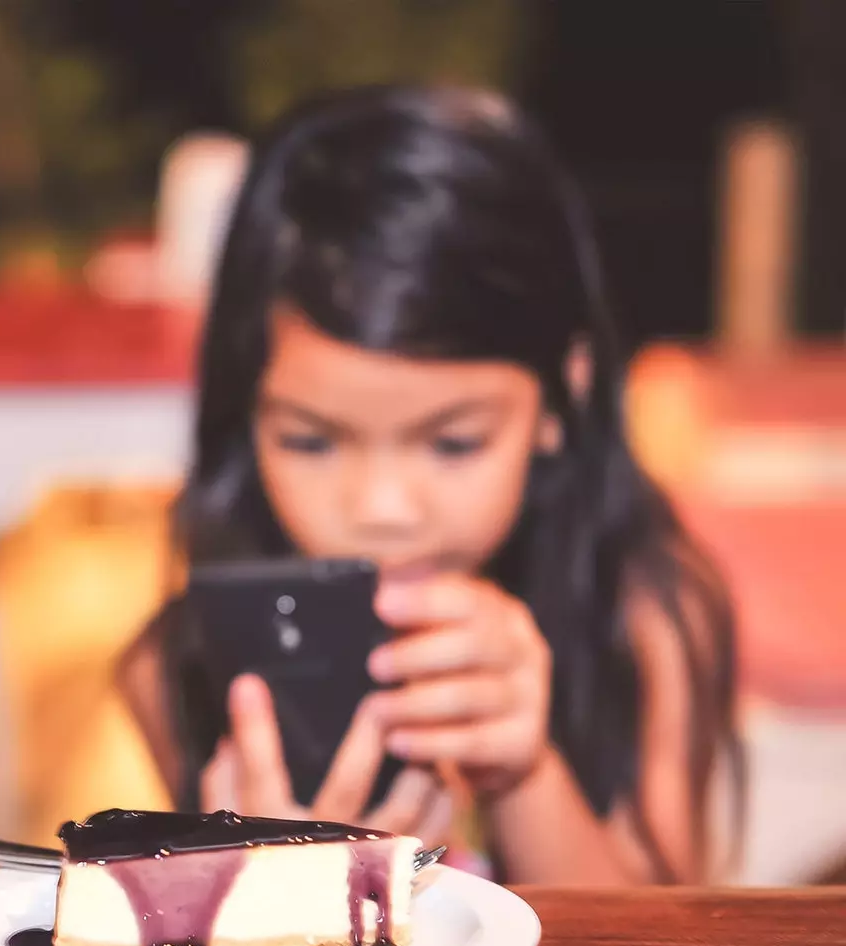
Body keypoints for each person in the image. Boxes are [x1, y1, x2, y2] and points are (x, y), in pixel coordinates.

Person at [117, 85, 741, 886]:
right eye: (310, 440)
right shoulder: (182, 667)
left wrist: (525, 773)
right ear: (246, 415)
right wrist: (268, 884)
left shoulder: (647, 613)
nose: (383, 510)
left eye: (453, 442)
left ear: (561, 398)